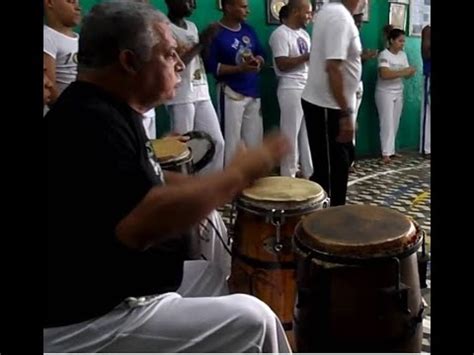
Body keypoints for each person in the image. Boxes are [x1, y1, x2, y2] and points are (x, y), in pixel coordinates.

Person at [45, 1, 292, 353]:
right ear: (129, 62)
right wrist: (234, 176)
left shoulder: (102, 107)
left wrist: (216, 187)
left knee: (209, 274)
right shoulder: (90, 121)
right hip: (87, 317)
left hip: (113, 287)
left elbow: (148, 179)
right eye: (168, 54)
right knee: (255, 320)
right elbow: (142, 224)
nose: (180, 64)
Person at [301, 0, 364, 206]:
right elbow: (333, 68)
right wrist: (345, 114)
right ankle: (329, 221)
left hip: (330, 104)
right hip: (328, 106)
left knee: (340, 162)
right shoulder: (339, 17)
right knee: (332, 171)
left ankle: (331, 215)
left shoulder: (330, 11)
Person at [164, 0, 225, 174]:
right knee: (181, 148)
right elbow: (177, 64)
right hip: (181, 94)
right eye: (189, 0)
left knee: (217, 142)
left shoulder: (191, 26)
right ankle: (183, 194)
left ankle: (211, 192)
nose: (193, 4)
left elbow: (202, 58)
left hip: (200, 90)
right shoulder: (166, 28)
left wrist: (208, 42)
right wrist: (201, 42)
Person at [205, 0, 266, 166]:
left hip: (252, 91)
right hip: (231, 92)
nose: (248, 11)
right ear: (228, 7)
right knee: (230, 143)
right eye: (243, 7)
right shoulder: (215, 32)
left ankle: (254, 183)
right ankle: (231, 186)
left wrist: (257, 62)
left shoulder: (248, 29)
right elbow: (212, 66)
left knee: (255, 141)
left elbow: (261, 53)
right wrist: (239, 68)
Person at [269, 0, 313, 178]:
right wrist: (307, 56)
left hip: (307, 86)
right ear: (296, 12)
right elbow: (282, 64)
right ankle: (288, 176)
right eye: (308, 12)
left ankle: (310, 174)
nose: (310, 16)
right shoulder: (280, 34)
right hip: (290, 86)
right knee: (290, 133)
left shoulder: (304, 34)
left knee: (308, 134)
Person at [375, 28, 416, 164]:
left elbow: (407, 74)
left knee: (395, 121)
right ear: (391, 41)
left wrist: (410, 72)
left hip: (398, 91)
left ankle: (391, 151)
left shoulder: (403, 55)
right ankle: (385, 153)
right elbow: (384, 74)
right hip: (384, 93)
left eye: (403, 41)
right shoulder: (384, 55)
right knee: (386, 122)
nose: (402, 44)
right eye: (400, 41)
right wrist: (403, 71)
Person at [350, 8, 378, 171]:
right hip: (346, 85)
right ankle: (347, 160)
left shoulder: (357, 37)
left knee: (353, 121)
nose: (359, 25)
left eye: (361, 22)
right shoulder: (342, 35)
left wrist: (365, 56)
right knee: (348, 121)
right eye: (357, 21)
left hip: (357, 83)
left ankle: (350, 159)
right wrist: (363, 56)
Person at [43, 0, 81, 109]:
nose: (78, 7)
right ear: (50, 2)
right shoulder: (47, 38)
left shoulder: (78, 38)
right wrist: (64, 110)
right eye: (70, 1)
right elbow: (49, 85)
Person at [420, 24, 430, 158]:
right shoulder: (428, 30)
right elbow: (426, 53)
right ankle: (427, 148)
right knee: (428, 113)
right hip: (430, 74)